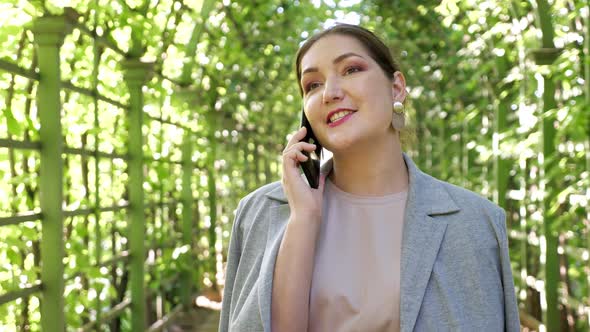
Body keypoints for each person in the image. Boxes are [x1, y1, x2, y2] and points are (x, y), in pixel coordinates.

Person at [218, 23, 520, 332]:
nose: (330, 93)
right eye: (312, 85)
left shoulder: (475, 221)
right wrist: (304, 218)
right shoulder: (258, 213)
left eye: (350, 70)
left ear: (396, 88)